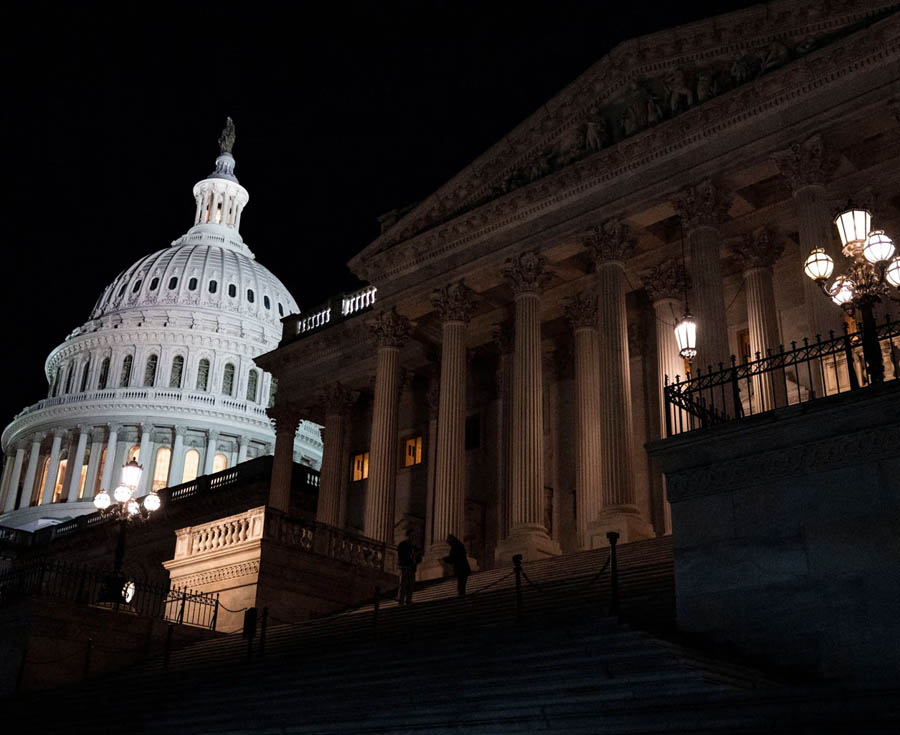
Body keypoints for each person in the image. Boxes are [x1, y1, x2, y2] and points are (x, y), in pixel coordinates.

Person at [396, 529, 421, 606]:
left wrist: (416, 558)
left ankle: (408, 601)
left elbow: (419, 559)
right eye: (411, 536)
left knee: (410, 586)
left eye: (414, 536)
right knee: (403, 585)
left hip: (412, 569)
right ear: (407, 536)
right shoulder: (402, 545)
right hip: (404, 568)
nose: (413, 538)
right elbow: (401, 556)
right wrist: (410, 557)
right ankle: (401, 601)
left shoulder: (414, 547)